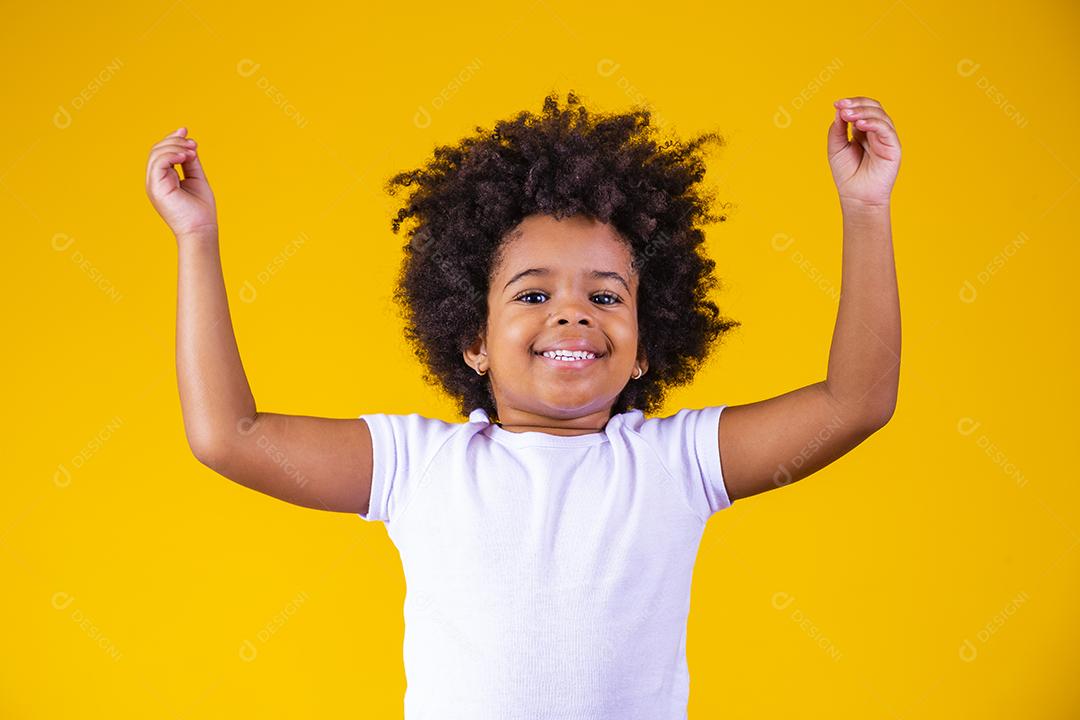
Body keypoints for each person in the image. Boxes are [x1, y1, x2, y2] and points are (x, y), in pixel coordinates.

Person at [144, 90, 901, 719]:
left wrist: (865, 209)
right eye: (533, 293)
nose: (572, 314)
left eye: (605, 295)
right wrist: (196, 236)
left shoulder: (675, 465)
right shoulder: (418, 466)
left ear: (644, 346)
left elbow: (855, 402)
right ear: (472, 338)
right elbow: (229, 436)